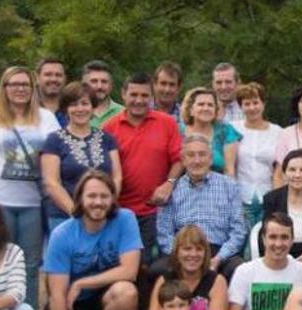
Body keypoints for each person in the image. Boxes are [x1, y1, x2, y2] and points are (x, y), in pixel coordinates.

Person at [0, 67, 60, 310]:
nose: (20, 89)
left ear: (33, 89)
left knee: (30, 264)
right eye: (14, 84)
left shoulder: (47, 118)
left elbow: (55, 157)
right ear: (4, 88)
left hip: (32, 202)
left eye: (25, 84)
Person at [43, 171, 142, 310]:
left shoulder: (125, 219)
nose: (98, 202)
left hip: (105, 299)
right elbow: (57, 296)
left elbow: (129, 271)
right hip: (72, 305)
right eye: (91, 196)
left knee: (127, 292)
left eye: (104, 196)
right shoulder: (63, 234)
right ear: (80, 199)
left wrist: (81, 282)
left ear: (112, 199)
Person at [102, 73, 184, 261]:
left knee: (151, 265)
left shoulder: (167, 123)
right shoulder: (109, 128)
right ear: (123, 95)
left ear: (152, 97)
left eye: (144, 96)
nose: (139, 100)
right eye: (134, 95)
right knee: (122, 263)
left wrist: (169, 183)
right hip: (121, 210)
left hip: (156, 210)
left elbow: (179, 159)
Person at [156, 135, 247, 281]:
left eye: (202, 155)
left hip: (218, 250)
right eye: (191, 155)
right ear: (183, 160)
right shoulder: (172, 190)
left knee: (239, 269)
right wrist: (183, 258)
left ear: (210, 159)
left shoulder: (229, 186)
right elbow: (164, 233)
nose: (197, 161)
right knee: (157, 270)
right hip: (183, 251)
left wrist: (218, 258)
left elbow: (238, 231)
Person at [41, 81, 122, 234]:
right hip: (64, 217)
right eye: (74, 104)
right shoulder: (54, 140)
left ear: (93, 107)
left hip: (102, 215)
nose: (80, 109)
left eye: (85, 103)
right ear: (65, 109)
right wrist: (76, 213)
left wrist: (106, 206)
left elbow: (117, 177)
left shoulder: (107, 139)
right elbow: (51, 182)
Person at [231, 82, 282, 228]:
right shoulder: (232, 128)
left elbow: (279, 169)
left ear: (263, 104)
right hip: (240, 196)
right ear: (241, 106)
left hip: (267, 195)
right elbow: (229, 166)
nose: (252, 108)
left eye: (256, 102)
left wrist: (277, 198)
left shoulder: (277, 132)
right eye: (247, 104)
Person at [178, 86, 241, 176]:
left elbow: (229, 170)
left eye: (210, 105)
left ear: (216, 110)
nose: (206, 108)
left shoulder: (225, 131)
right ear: (191, 110)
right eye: (201, 104)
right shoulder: (178, 131)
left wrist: (230, 189)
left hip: (218, 187)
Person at [83, 60, 124, 128]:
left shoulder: (122, 113)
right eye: (94, 81)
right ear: (84, 85)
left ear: (111, 85)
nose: (99, 86)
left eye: (104, 82)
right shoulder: (76, 113)